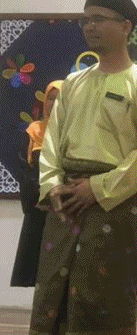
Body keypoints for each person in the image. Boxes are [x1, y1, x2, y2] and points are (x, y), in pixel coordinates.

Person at [28, 0, 137, 335]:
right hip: (66, 198)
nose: (90, 26)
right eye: (85, 19)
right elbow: (52, 140)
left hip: (114, 202)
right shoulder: (73, 83)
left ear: (125, 27)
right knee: (58, 284)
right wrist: (52, 185)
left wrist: (99, 188)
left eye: (99, 19)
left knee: (108, 287)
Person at [11, 79, 62, 287]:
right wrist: (39, 195)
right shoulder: (34, 130)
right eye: (50, 98)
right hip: (38, 205)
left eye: (59, 99)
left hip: (63, 207)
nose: (53, 104)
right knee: (36, 267)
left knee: (59, 269)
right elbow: (25, 168)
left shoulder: (72, 134)